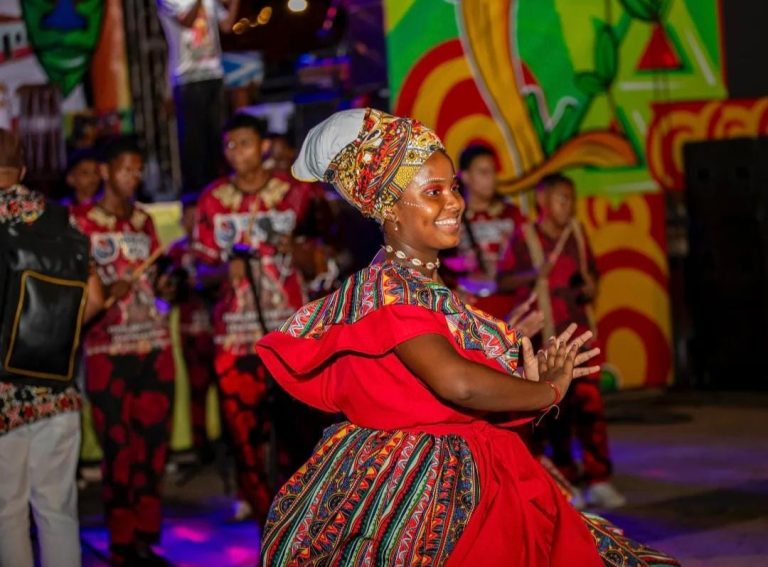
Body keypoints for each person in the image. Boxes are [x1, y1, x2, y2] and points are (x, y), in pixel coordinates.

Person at [253, 108, 679, 565]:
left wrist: (503, 345)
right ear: (390, 207)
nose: (454, 202)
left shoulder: (422, 287)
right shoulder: (392, 288)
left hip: (470, 469)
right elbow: (458, 383)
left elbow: (438, 369)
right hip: (431, 483)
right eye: (433, 192)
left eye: (452, 187)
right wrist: (546, 391)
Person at [193, 113, 323, 522]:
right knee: (245, 434)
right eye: (230, 145)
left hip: (291, 337)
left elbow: (324, 258)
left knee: (301, 432)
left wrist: (295, 250)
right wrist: (221, 272)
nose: (237, 153)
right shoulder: (213, 199)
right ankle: (268, 522)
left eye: (245, 144)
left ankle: (306, 521)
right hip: (235, 340)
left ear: (263, 146)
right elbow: (200, 271)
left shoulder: (295, 194)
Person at [0, 128, 103, 567]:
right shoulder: (63, 219)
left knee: (7, 513)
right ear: (23, 170)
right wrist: (49, 334)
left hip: (3, 396)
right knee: (58, 512)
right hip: (58, 389)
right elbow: (95, 298)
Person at [71, 137, 175, 566]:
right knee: (119, 449)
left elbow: (156, 281)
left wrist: (166, 288)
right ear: (106, 171)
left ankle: (146, 537)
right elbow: (74, 289)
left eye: (138, 169)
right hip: (105, 350)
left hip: (154, 343)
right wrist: (105, 291)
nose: (133, 177)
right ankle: (120, 541)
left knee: (152, 447)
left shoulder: (144, 221)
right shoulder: (79, 222)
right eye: (125, 169)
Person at [498, 172, 626, 509]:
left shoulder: (577, 234)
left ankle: (599, 478)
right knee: (554, 415)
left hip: (580, 337)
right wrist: (533, 275)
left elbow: (592, 275)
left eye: (571, 199)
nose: (568, 206)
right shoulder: (525, 237)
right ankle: (566, 483)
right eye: (561, 199)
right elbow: (503, 278)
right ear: (543, 200)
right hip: (545, 343)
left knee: (591, 410)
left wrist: (588, 288)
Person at [157, 0, 241, 195]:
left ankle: (217, 191)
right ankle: (195, 196)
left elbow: (227, 25)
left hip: (213, 74)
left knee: (217, 138)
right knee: (194, 144)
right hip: (187, 79)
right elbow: (186, 21)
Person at [443, 143, 527, 320]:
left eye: (493, 171)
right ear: (465, 177)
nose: (491, 178)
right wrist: (460, 264)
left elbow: (529, 262)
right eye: (483, 172)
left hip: (511, 309)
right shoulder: (451, 215)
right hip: (467, 312)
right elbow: (438, 263)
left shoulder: (512, 214)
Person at [166, 195, 216, 462]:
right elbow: (166, 289)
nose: (193, 222)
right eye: (189, 216)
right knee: (196, 391)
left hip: (218, 330)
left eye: (198, 217)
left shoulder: (215, 249)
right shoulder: (177, 251)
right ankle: (199, 445)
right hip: (190, 331)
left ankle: (227, 444)